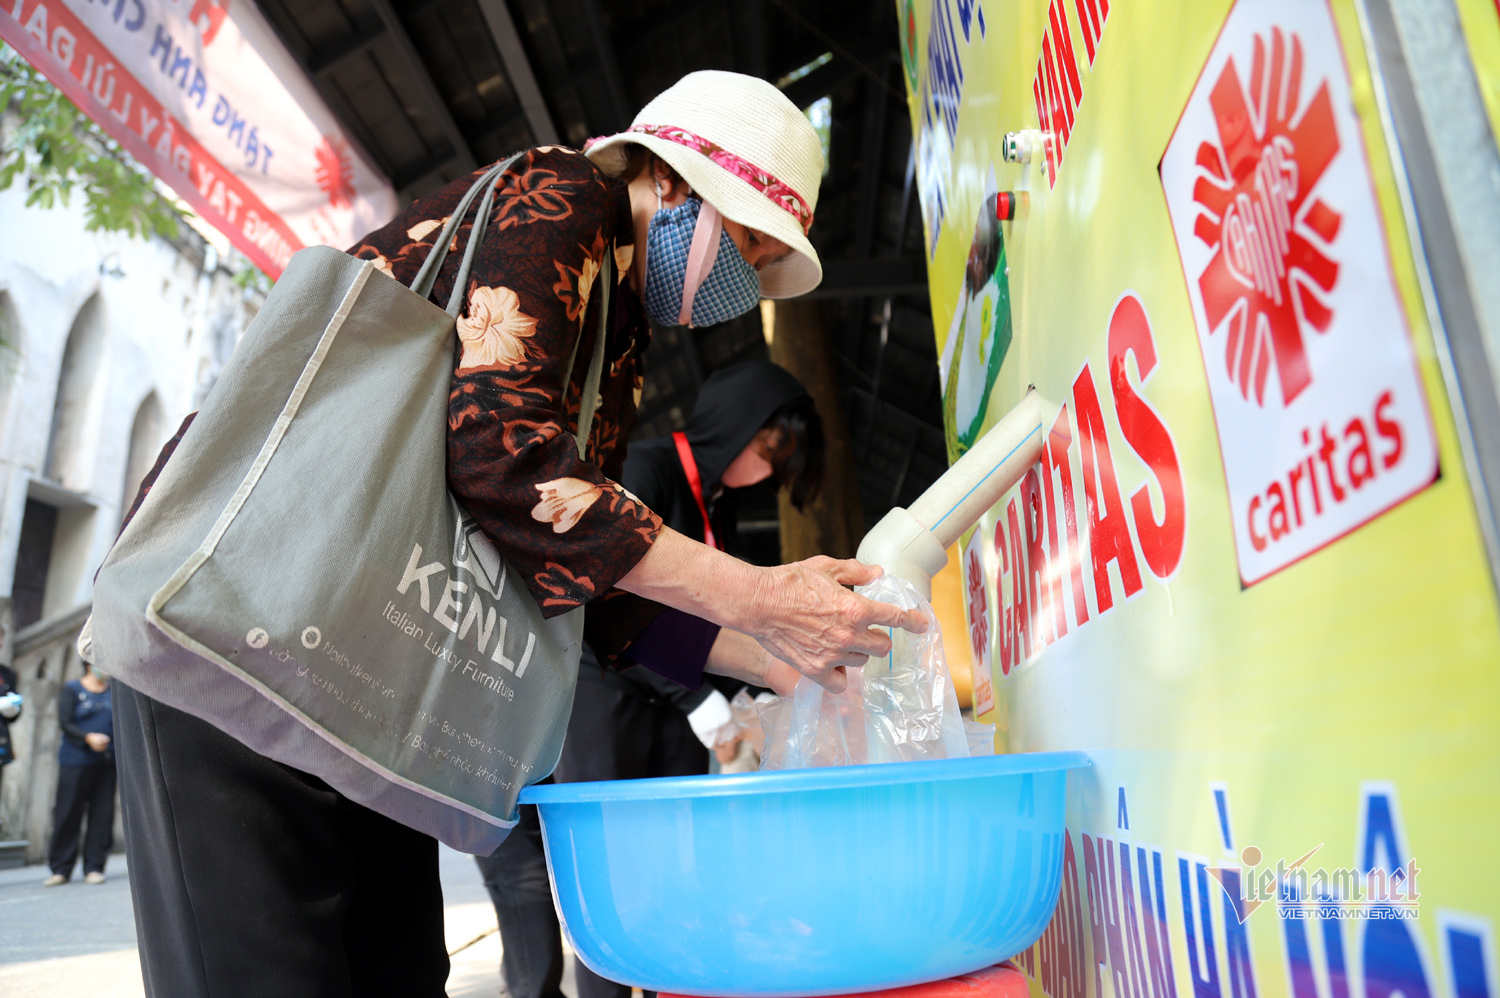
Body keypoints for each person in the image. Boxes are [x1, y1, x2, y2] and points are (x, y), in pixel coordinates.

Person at [111, 70, 925, 997]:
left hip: (348, 672)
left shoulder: (614, 341)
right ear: (670, 181)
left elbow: (585, 573)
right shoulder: (567, 194)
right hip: (241, 630)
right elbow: (502, 460)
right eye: (742, 241)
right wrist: (759, 593)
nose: (745, 279)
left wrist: (775, 655)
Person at [477, 359, 819, 998]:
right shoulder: (645, 467)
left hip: (672, 706)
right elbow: (612, 605)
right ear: (736, 422)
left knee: (672, 878)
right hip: (607, 696)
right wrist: (711, 707)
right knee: (613, 882)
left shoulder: (718, 501)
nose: (769, 469)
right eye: (770, 447)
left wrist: (733, 701)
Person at [42, 661, 114, 886]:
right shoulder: (73, 689)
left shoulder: (114, 692)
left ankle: (94, 867)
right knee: (68, 812)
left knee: (102, 815)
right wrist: (87, 738)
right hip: (75, 760)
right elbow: (65, 722)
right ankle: (61, 868)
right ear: (87, 664)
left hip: (107, 761)